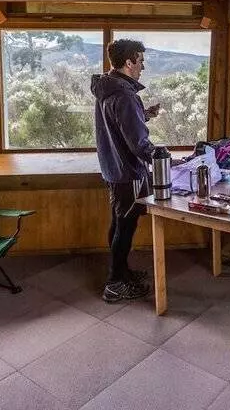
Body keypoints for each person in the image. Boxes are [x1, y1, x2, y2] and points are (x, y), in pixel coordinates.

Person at [91, 39, 160, 303]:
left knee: (118, 223)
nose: (143, 65)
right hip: (129, 171)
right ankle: (115, 283)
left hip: (112, 169)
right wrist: (164, 159)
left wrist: (144, 114)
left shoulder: (107, 88)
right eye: (140, 60)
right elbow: (138, 144)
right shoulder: (125, 95)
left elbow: (119, 123)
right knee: (126, 227)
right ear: (129, 62)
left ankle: (122, 271)